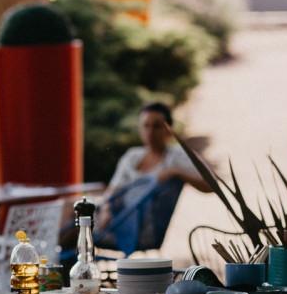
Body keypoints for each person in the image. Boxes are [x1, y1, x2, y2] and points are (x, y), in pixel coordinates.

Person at [83, 101, 212, 247]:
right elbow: (114, 190)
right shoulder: (132, 156)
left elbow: (211, 184)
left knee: (75, 224)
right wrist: (106, 210)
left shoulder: (176, 157)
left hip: (136, 230)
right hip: (113, 217)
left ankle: (58, 263)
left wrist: (175, 171)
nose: (150, 131)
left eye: (157, 126)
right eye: (146, 125)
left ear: (168, 129)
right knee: (71, 209)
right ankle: (59, 264)